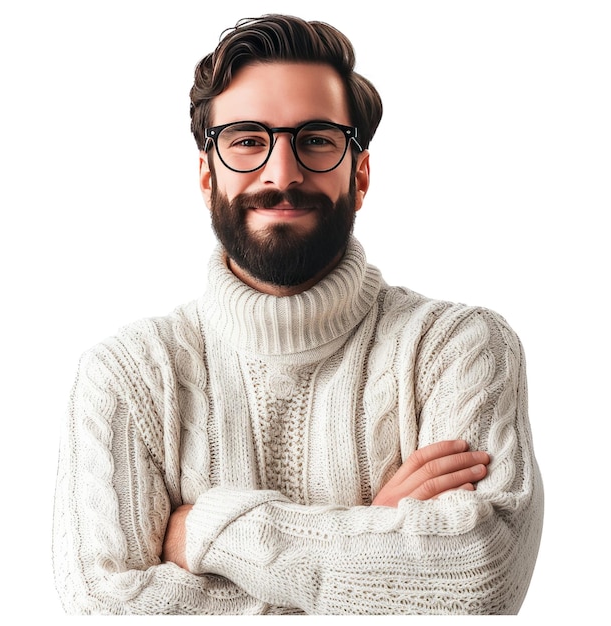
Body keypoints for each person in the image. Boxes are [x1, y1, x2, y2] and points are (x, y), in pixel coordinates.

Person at [52, 14, 543, 615]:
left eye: (315, 139)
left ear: (359, 174)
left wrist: (206, 530)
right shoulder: (127, 376)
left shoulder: (457, 348)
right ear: (207, 175)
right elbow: (103, 608)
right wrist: (375, 538)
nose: (282, 174)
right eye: (247, 141)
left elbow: (481, 575)